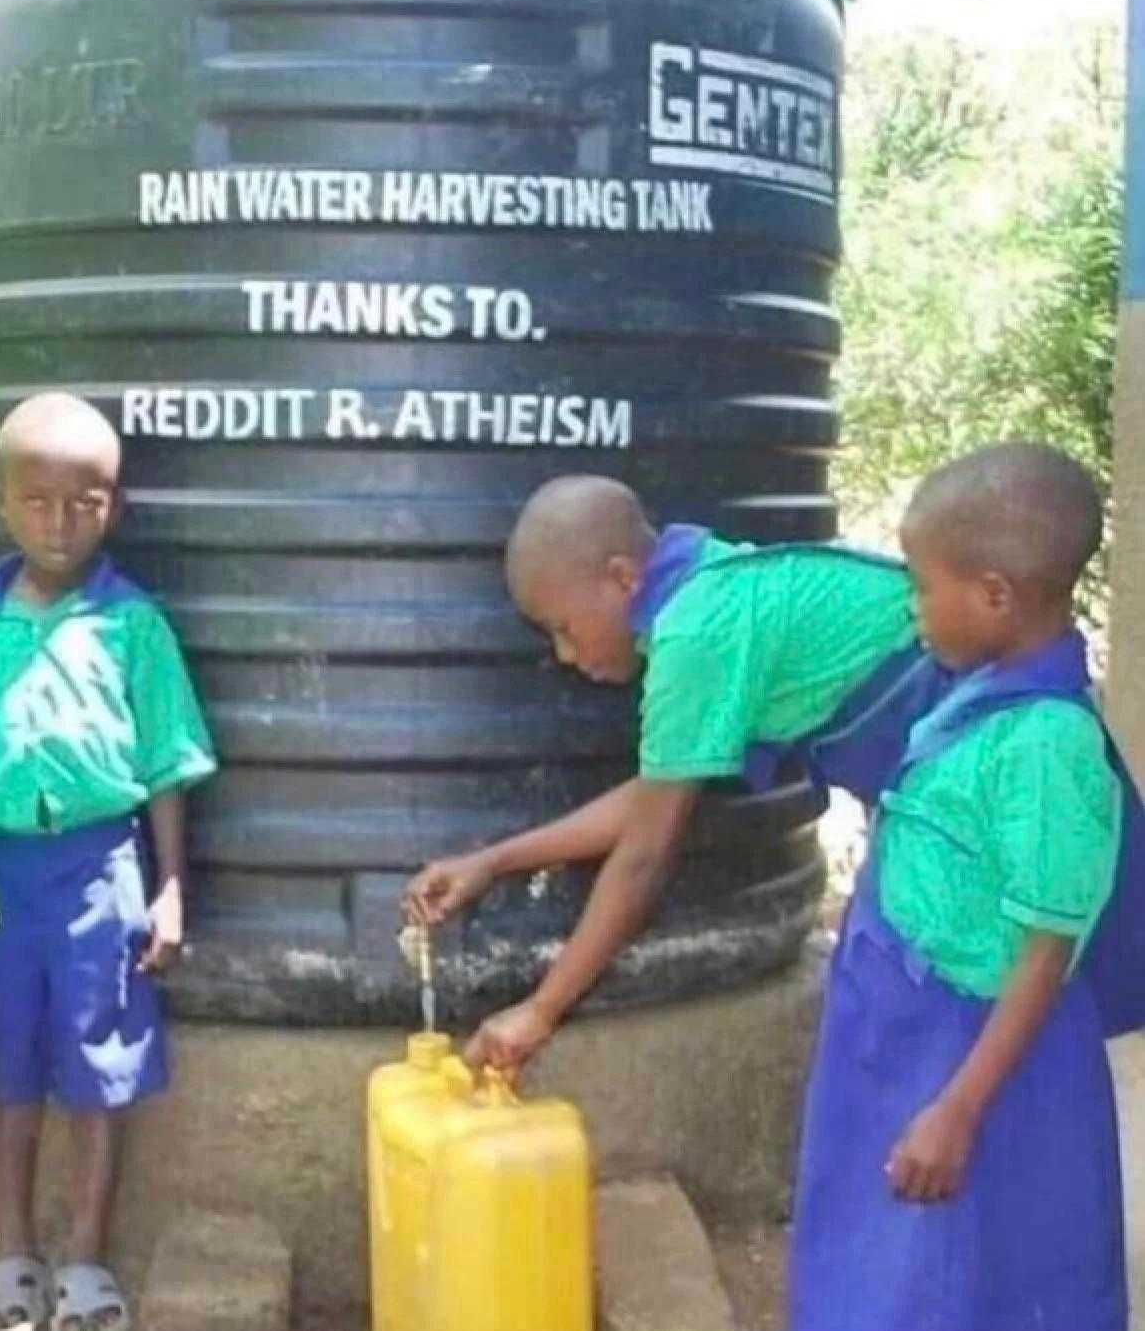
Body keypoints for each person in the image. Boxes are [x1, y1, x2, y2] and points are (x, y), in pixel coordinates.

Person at [403, 475, 949, 1071]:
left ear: (622, 578)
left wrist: (540, 1009)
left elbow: (644, 856)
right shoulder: (706, 586)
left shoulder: (693, 636)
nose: (564, 654)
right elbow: (655, 797)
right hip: (939, 779)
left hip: (963, 787)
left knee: (917, 1016)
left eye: (564, 627)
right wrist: (495, 862)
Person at [789, 443, 1141, 1331]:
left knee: (968, 1275)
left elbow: (1045, 952)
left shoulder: (1047, 749)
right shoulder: (972, 694)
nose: (912, 613)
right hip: (903, 1039)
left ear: (993, 595)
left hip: (980, 1057)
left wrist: (956, 1109)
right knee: (880, 1259)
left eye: (919, 587)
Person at [0, 392, 217, 1331]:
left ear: (116, 507)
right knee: (9, 1069)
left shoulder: (131, 624)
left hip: (103, 870)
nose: (61, 524)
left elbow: (167, 762)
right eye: (38, 502)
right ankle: (12, 1256)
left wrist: (170, 886)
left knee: (100, 1071)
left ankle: (87, 1264)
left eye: (85, 503)